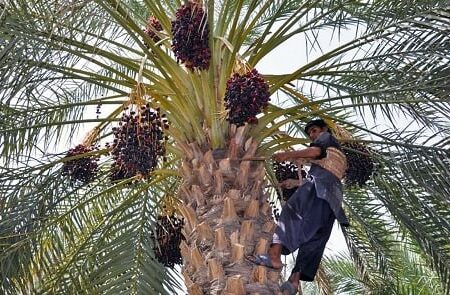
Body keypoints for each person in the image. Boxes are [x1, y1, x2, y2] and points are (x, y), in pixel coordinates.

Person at [247, 119, 349, 295]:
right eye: (310, 133)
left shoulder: (326, 138)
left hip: (319, 189)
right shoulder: (337, 155)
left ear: (324, 129)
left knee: (291, 212)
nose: (312, 135)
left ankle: (274, 256)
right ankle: (294, 281)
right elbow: (327, 171)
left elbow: (317, 151)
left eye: (314, 130)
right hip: (332, 201)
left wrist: (288, 155)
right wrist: (294, 182)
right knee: (314, 239)